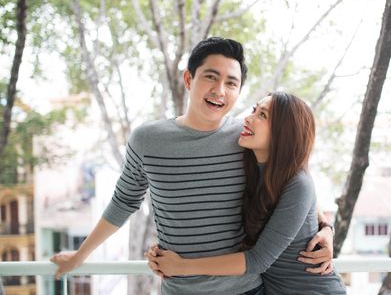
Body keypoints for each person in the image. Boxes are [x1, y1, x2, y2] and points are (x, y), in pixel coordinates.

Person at [51, 37, 334, 295]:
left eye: (231, 83)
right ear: (188, 79)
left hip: (246, 289)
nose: (219, 90)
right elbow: (124, 201)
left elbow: (289, 180)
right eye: (211, 77)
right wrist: (80, 256)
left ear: (238, 91)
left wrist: (325, 228)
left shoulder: (245, 138)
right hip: (178, 290)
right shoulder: (147, 140)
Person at [146, 92, 346, 294]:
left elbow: (257, 260)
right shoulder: (251, 167)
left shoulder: (298, 183)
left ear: (283, 132)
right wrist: (166, 251)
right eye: (254, 110)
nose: (248, 118)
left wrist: (182, 266)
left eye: (263, 116)